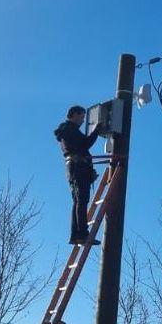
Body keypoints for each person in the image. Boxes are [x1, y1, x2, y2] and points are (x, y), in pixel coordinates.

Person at [54, 105, 105, 245]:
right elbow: (84, 145)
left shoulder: (68, 131)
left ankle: (76, 234)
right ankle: (81, 234)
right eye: (81, 117)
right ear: (74, 115)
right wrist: (96, 131)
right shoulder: (69, 130)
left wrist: (89, 172)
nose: (83, 121)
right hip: (77, 168)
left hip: (76, 168)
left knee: (79, 201)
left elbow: (81, 149)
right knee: (81, 201)